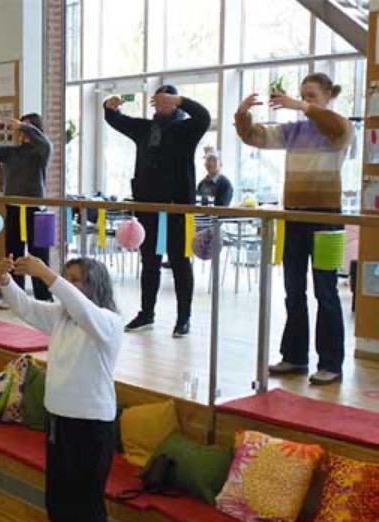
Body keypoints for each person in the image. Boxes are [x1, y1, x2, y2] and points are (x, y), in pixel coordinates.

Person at [0, 253, 123, 522]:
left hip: (91, 427)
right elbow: (25, 307)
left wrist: (49, 275)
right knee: (58, 501)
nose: (70, 285)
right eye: (69, 278)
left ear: (93, 285)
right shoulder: (62, 318)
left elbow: (81, 307)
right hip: (60, 422)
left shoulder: (107, 322)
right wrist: (6, 281)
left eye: (77, 279)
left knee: (87, 507)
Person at [236, 73, 353, 385]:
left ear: (329, 95)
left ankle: (331, 363)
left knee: (326, 292)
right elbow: (254, 137)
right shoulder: (294, 131)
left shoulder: (338, 126)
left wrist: (301, 105)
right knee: (292, 290)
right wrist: (242, 115)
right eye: (303, 95)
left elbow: (338, 130)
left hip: (327, 219)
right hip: (295, 218)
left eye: (312, 95)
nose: (305, 101)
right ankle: (295, 356)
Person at [103, 85, 211, 337]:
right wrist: (109, 104)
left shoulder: (186, 129)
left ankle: (184, 318)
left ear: (175, 103)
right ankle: (146, 313)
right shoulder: (145, 129)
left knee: (179, 261)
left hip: (177, 206)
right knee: (149, 261)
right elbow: (115, 119)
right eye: (158, 101)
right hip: (147, 207)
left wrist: (181, 100)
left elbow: (204, 116)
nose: (161, 105)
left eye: (167, 101)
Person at [0, 113, 53, 302]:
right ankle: (14, 296)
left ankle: (44, 297)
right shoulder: (12, 152)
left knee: (39, 254)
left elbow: (46, 144)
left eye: (27, 127)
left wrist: (24, 126)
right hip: (13, 207)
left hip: (36, 209)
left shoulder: (41, 152)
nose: (21, 131)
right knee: (12, 252)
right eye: (21, 127)